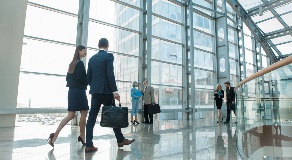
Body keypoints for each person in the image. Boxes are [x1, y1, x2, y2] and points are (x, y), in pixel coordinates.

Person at [85, 38, 135, 153]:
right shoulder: (108, 56)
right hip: (107, 92)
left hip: (95, 92)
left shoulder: (92, 59)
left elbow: (89, 77)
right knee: (114, 115)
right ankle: (120, 140)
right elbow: (110, 74)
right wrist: (115, 91)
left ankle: (89, 145)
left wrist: (94, 87)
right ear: (107, 46)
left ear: (98, 45)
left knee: (91, 118)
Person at [47, 45, 89, 147]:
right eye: (84, 51)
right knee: (84, 113)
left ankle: (54, 136)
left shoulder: (72, 64)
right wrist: (88, 79)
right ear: (79, 51)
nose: (85, 53)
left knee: (71, 115)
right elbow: (80, 78)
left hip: (72, 92)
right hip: (79, 91)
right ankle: (82, 137)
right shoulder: (80, 64)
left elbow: (68, 79)